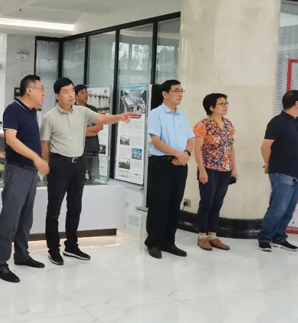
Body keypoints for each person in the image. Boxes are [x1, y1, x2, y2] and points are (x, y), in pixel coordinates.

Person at [42, 78, 137, 265]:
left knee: (75, 207)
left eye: (72, 91)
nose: (71, 95)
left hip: (78, 164)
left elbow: (101, 119)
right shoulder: (49, 117)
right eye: (66, 92)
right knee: (54, 210)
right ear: (57, 95)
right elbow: (44, 144)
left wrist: (119, 117)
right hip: (59, 165)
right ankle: (53, 249)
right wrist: (48, 165)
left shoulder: (82, 112)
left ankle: (71, 246)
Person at [0, 75, 49, 283]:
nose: (44, 93)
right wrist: (36, 158)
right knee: (10, 218)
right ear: (29, 90)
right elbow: (11, 140)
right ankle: (0, 264)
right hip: (17, 171)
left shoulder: (32, 112)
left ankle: (22, 255)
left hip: (31, 172)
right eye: (41, 89)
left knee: (26, 218)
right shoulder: (13, 110)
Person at [145, 79, 195, 259]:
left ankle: (169, 241)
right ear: (165, 94)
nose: (180, 94)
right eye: (176, 90)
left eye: (181, 91)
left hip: (181, 164)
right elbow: (156, 141)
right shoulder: (156, 114)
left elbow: (191, 138)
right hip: (162, 164)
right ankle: (153, 242)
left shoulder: (182, 116)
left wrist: (186, 153)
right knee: (159, 203)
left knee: (175, 203)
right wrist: (178, 154)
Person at [193, 93, 237, 251]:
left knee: (218, 203)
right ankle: (202, 236)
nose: (225, 106)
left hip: (225, 169)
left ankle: (212, 236)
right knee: (207, 203)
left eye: (226, 103)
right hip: (209, 169)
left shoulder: (229, 125)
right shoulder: (203, 125)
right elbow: (197, 149)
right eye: (221, 104)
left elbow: (230, 148)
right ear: (211, 107)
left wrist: (234, 169)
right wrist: (202, 170)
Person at [258, 90, 298, 252]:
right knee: (278, 208)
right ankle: (264, 238)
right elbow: (265, 147)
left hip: (295, 172)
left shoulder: (296, 121)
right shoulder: (277, 122)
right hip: (281, 172)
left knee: (289, 209)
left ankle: (279, 237)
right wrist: (269, 164)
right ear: (297, 104)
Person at [74, 85, 103, 182]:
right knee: (79, 179)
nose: (85, 95)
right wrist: (92, 130)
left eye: (86, 92)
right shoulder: (71, 110)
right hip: (77, 151)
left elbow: (99, 127)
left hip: (92, 148)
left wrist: (81, 130)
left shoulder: (93, 109)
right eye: (82, 93)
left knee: (94, 179)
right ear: (76, 96)